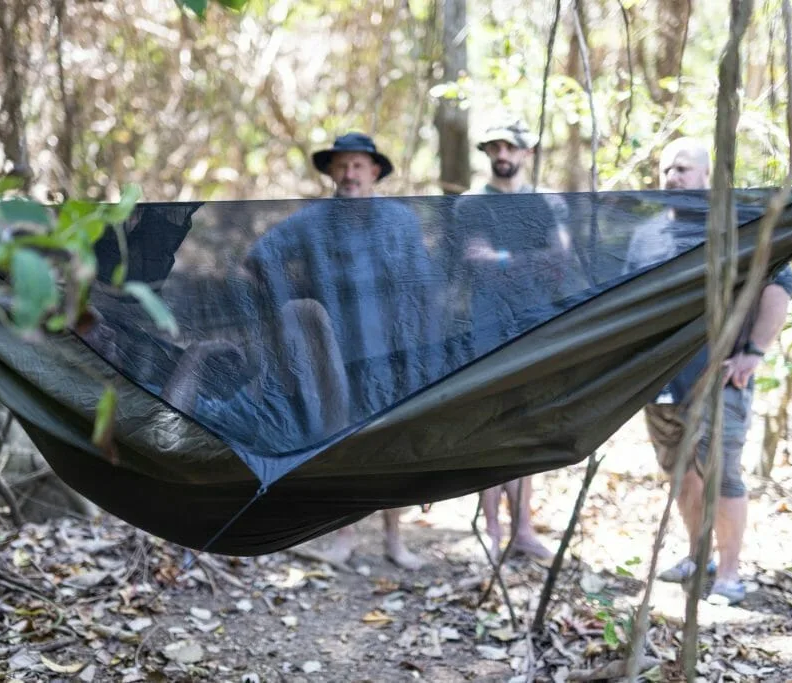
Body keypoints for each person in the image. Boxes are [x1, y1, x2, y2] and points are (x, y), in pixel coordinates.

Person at [242, 132, 449, 570]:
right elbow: (261, 257)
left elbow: (424, 285)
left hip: (394, 353)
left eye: (358, 165)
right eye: (342, 165)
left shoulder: (401, 221)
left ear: (375, 171)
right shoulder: (311, 222)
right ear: (331, 172)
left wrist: (421, 342)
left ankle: (395, 540)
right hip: (334, 355)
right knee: (336, 444)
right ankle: (344, 537)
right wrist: (293, 309)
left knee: (395, 445)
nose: (349, 173)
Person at [626, 137, 792, 604]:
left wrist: (754, 352)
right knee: (681, 474)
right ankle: (699, 555)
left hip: (719, 378)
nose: (672, 178)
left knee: (722, 475)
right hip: (661, 384)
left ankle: (730, 574)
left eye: (682, 168)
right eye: (665, 170)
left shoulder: (736, 229)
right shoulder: (648, 233)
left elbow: (778, 286)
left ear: (707, 176)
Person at [451, 117, 573, 562]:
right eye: (494, 147)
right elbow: (475, 259)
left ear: (527, 153)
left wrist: (504, 260)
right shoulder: (471, 206)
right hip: (484, 325)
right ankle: (492, 532)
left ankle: (523, 529)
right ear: (486, 153)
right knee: (489, 422)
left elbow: (560, 258)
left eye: (510, 147)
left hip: (534, 324)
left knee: (525, 424)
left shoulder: (547, 204)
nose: (502, 155)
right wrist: (524, 260)